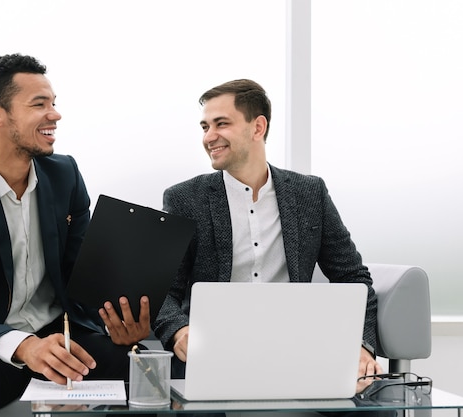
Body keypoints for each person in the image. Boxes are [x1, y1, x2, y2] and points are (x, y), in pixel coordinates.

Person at [0, 53, 150, 417]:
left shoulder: (65, 174)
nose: (55, 114)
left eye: (53, 103)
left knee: (145, 365)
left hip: (60, 336)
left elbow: (80, 275)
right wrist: (24, 346)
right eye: (40, 104)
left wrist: (117, 323)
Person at [152, 79, 383, 393]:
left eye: (221, 124)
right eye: (205, 126)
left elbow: (353, 277)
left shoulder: (309, 194)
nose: (209, 137)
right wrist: (179, 331)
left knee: (374, 407)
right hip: (212, 354)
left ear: (257, 127)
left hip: (297, 350)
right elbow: (164, 290)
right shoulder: (184, 199)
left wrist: (361, 346)